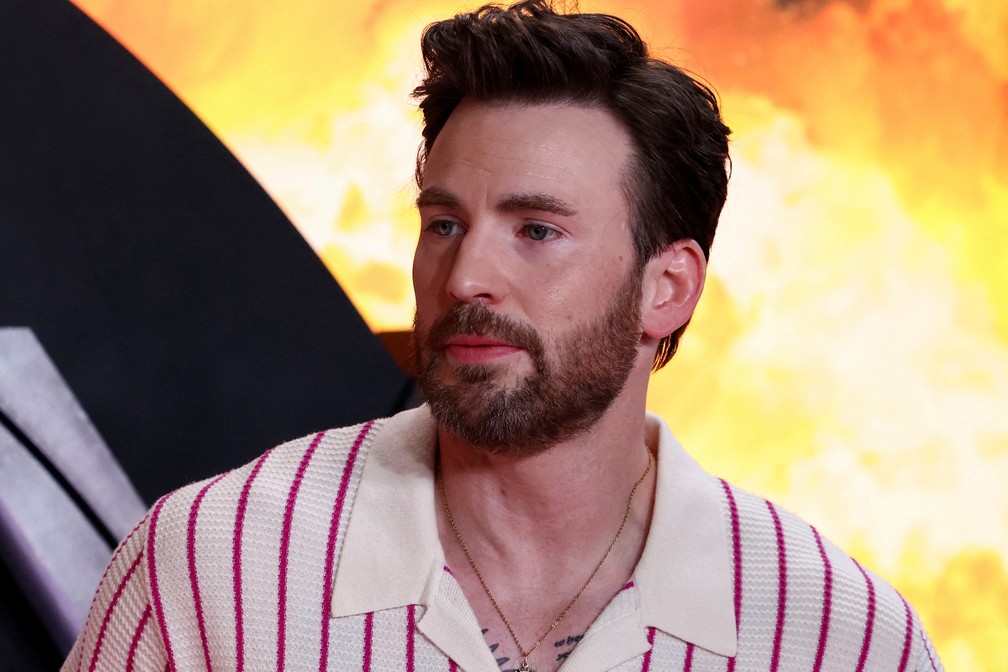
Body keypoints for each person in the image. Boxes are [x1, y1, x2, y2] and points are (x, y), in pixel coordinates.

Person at [64, 2, 943, 671]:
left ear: (666, 288)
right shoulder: (212, 565)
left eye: (536, 230)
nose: (465, 276)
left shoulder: (837, 636)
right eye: (444, 224)